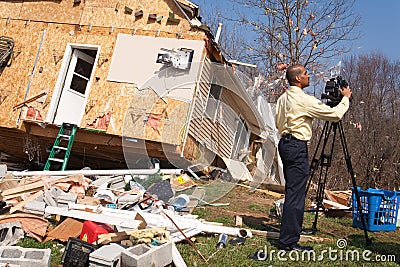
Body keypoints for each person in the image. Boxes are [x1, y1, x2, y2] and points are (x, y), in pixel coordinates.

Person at [275, 64, 352, 251]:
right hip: (296, 146)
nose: (309, 76)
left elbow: (278, 122)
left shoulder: (283, 98)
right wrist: (346, 99)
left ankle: (289, 236)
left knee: (292, 192)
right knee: (296, 195)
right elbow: (334, 115)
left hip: (285, 143)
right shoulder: (303, 100)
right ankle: (288, 242)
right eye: (306, 74)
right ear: (298, 79)